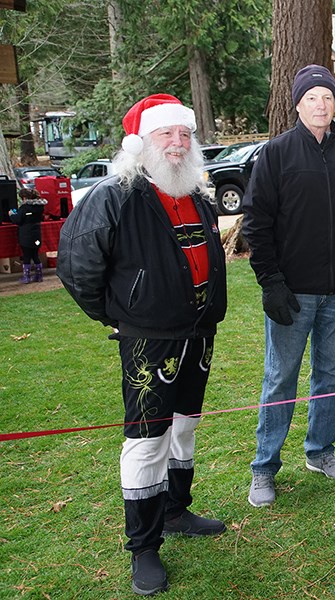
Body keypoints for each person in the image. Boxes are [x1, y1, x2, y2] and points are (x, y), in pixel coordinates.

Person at [57, 94, 228, 595]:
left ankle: (175, 510)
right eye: (165, 134)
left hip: (197, 333)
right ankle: (144, 546)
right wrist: (119, 313)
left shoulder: (194, 192)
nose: (177, 143)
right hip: (148, 339)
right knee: (147, 440)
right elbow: (76, 263)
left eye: (184, 134)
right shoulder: (116, 195)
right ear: (142, 142)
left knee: (184, 427)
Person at [242, 64, 335, 507]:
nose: (320, 105)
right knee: (280, 378)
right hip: (293, 291)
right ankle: (264, 468)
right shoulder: (278, 154)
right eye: (311, 98)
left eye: (327, 97)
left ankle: (320, 451)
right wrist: (270, 282)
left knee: (331, 376)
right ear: (298, 104)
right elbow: (256, 223)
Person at [9, 187, 47, 283]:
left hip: (26, 235)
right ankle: (39, 275)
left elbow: (18, 220)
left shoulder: (24, 207)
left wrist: (11, 215)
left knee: (27, 255)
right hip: (37, 235)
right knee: (35, 254)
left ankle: (26, 277)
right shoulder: (40, 207)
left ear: (25, 198)